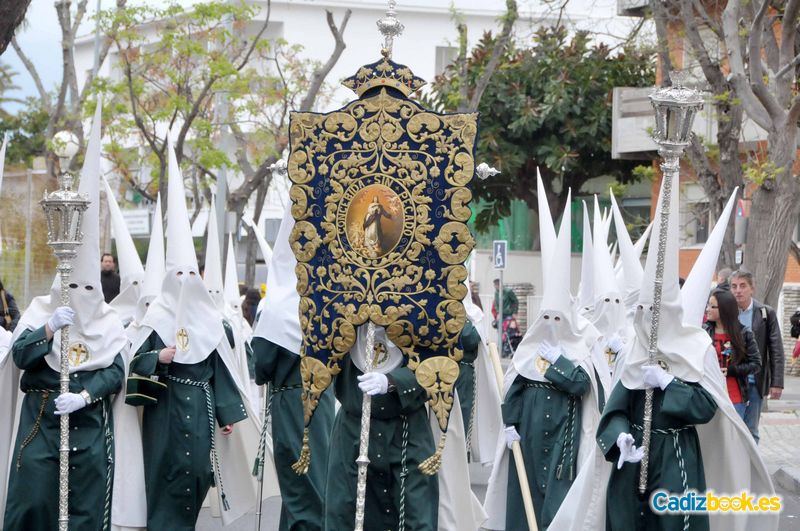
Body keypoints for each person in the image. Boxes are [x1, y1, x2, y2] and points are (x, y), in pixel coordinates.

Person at [0, 106, 135, 530]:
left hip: (90, 425)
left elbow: (115, 370)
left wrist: (85, 394)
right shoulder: (45, 310)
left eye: (85, 289)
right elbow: (21, 356)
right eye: (70, 289)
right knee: (34, 505)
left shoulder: (108, 322)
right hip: (41, 423)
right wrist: (47, 329)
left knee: (83, 512)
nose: (78, 297)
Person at [129, 139, 268, 529]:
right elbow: (134, 366)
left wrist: (225, 412)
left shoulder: (212, 321)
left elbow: (220, 367)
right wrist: (158, 358)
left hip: (202, 407)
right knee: (165, 472)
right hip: (165, 409)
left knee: (196, 474)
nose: (187, 282)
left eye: (193, 275)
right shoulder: (156, 319)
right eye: (180, 275)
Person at [251, 203, 334, 531]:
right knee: (316, 478)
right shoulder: (324, 301)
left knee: (300, 484)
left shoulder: (275, 307)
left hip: (292, 402)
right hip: (324, 401)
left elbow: (262, 366)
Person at [324, 324, 438, 530]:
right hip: (353, 430)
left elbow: (442, 360)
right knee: (346, 514)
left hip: (407, 428)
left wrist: (395, 381)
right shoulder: (339, 302)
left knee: (416, 515)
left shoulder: (423, 301)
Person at [730, 269, 784, 443]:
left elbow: (775, 348)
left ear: (752, 288)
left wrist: (776, 382)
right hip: (732, 381)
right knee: (732, 429)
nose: (738, 290)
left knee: (751, 428)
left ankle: (751, 468)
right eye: (734, 286)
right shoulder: (727, 314)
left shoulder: (765, 313)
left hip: (755, 381)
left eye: (743, 286)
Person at [703, 289, 761, 419]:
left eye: (712, 306)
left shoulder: (744, 333)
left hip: (734, 396)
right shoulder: (703, 331)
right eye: (708, 305)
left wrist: (731, 370)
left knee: (732, 438)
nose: (707, 309)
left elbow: (756, 364)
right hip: (708, 394)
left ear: (724, 309)